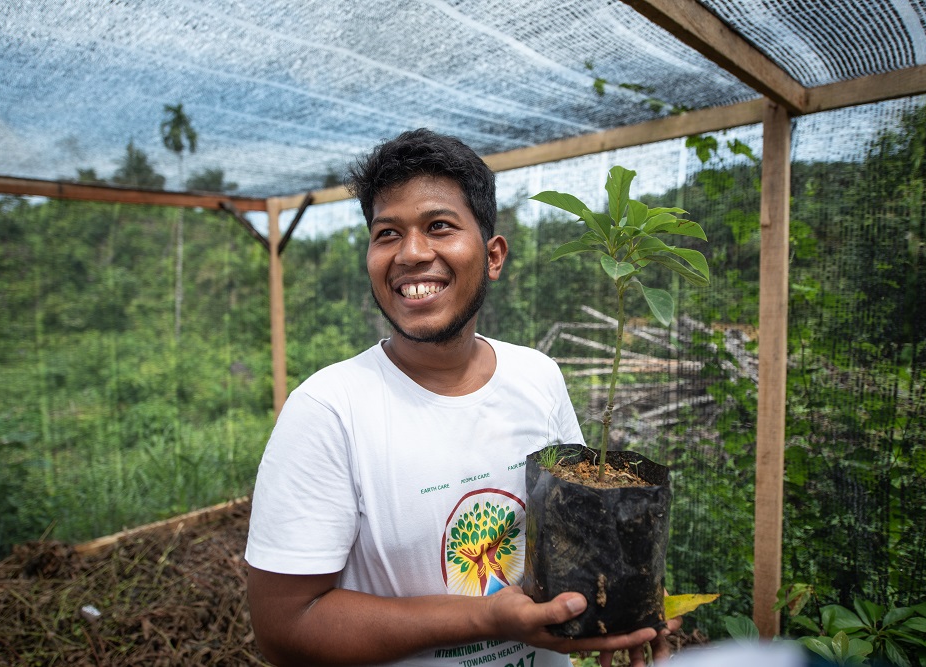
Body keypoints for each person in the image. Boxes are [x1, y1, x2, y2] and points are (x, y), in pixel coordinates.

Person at [244, 128, 678, 667]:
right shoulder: (330, 410)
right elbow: (284, 629)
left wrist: (626, 607)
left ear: (493, 256)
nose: (411, 253)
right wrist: (484, 617)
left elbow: (576, 533)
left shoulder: (537, 376)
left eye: (439, 226)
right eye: (387, 234)